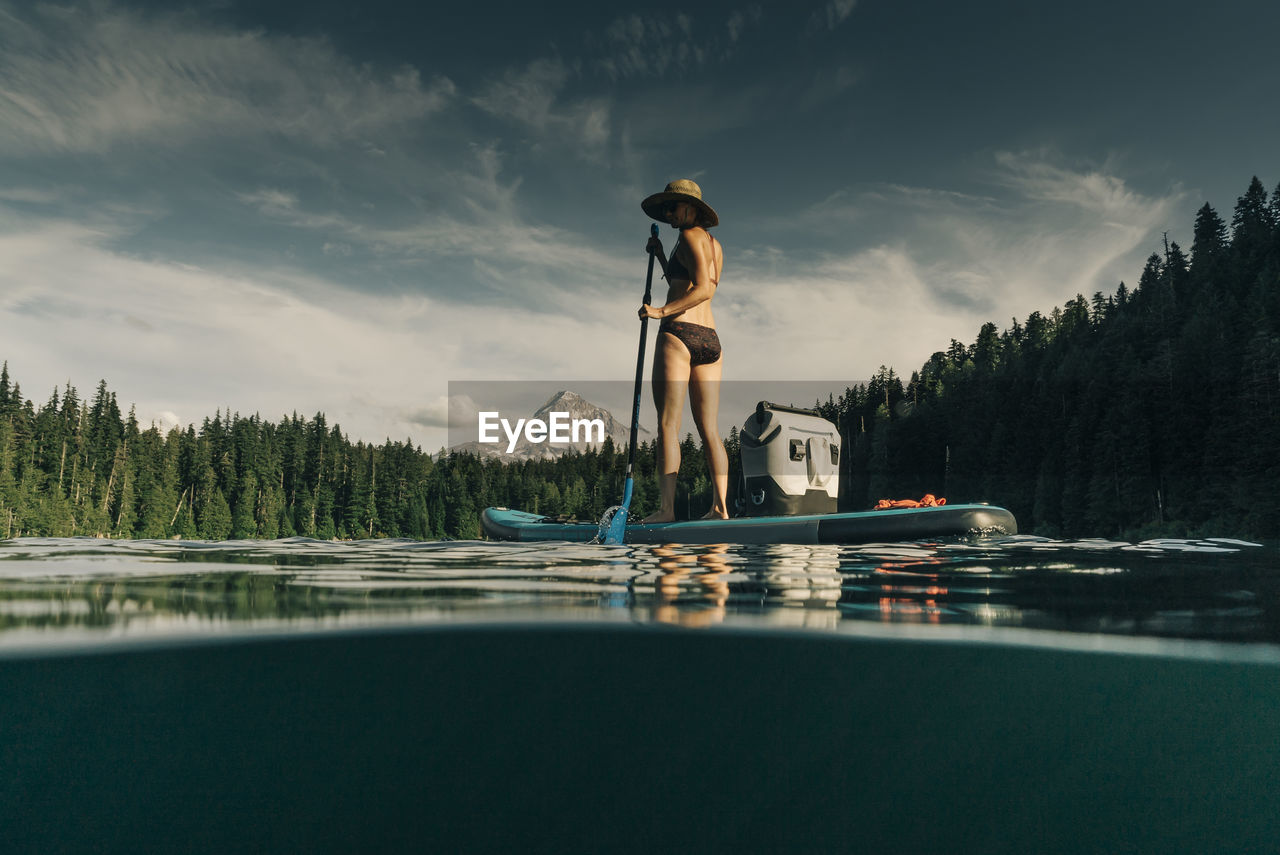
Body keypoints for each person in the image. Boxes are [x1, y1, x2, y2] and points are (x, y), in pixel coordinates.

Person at [637, 179, 728, 522]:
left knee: (667, 426)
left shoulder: (689, 236)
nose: (669, 213)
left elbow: (703, 289)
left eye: (674, 206)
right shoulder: (712, 243)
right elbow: (687, 281)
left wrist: (660, 311)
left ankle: (666, 510)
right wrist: (662, 256)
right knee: (710, 430)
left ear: (692, 208)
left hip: (678, 333)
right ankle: (720, 508)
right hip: (710, 339)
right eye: (667, 208)